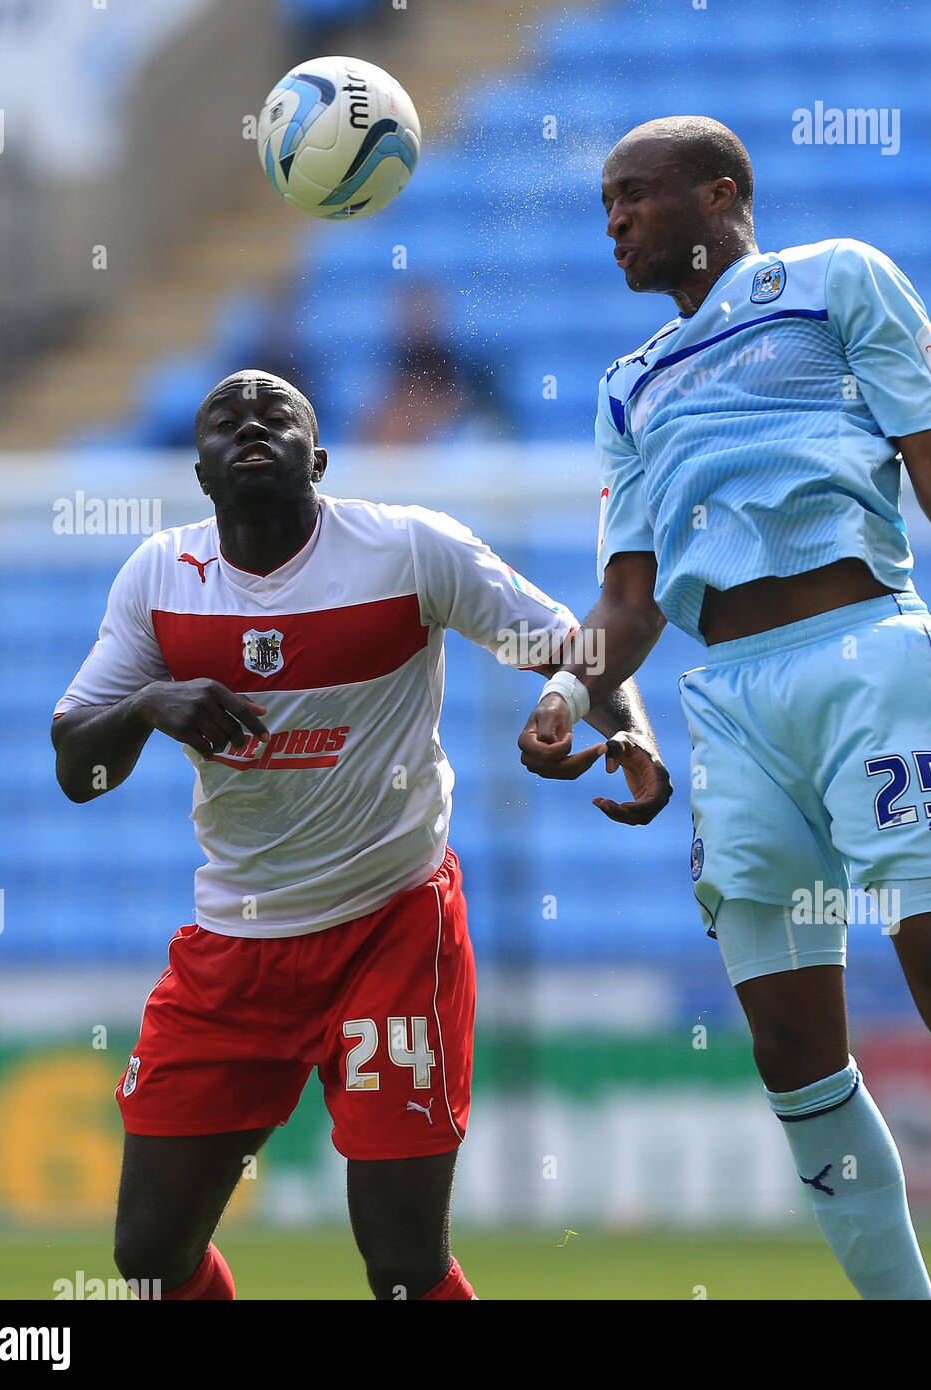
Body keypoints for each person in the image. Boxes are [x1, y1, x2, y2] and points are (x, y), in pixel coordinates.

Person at [518, 117, 931, 1300]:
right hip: (726, 707)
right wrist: (573, 690)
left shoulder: (835, 280)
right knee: (787, 1041)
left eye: (634, 195)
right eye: (602, 206)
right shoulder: (626, 389)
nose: (615, 221)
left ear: (718, 193)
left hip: (862, 662)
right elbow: (627, 599)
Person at [52, 369, 670, 1301]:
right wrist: (149, 703)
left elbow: (576, 648)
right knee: (146, 1259)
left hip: (393, 928)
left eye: (277, 414)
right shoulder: (157, 579)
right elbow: (76, 768)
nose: (251, 422)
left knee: (401, 1267)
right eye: (226, 418)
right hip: (237, 943)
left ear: (322, 457)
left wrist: (623, 727)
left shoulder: (409, 550)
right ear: (201, 471)